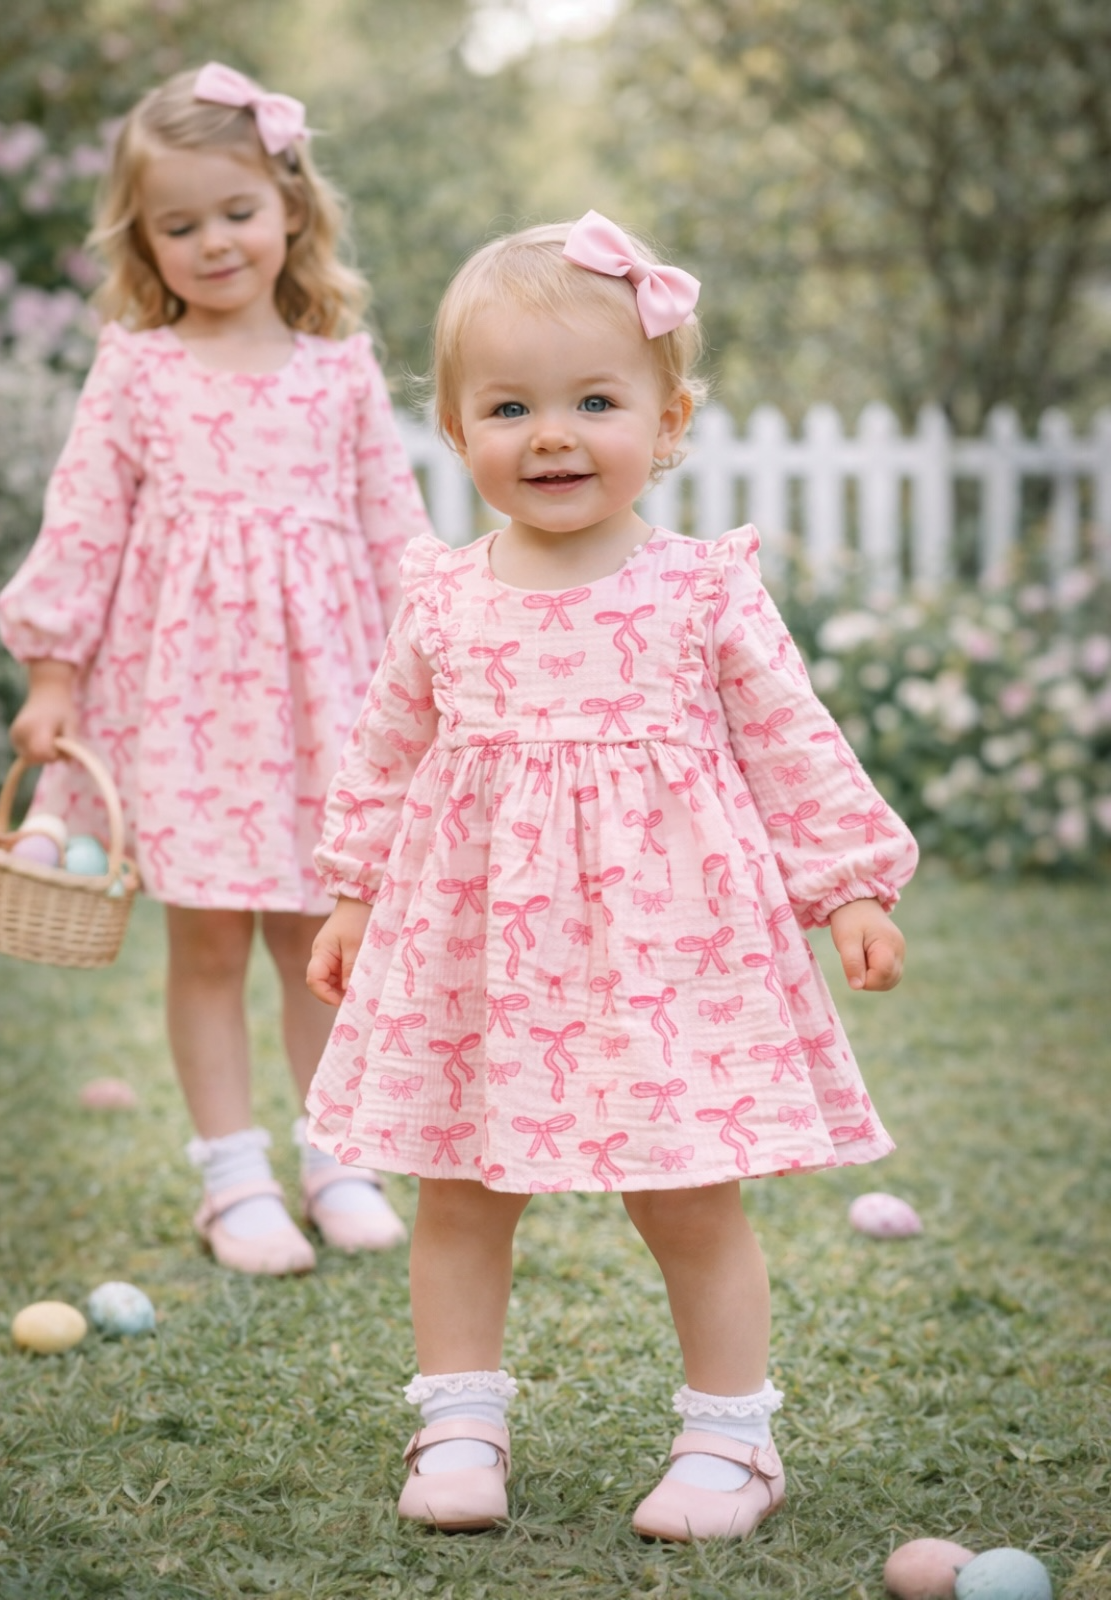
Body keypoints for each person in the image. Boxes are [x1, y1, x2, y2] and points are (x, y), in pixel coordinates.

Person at [304, 212, 918, 1539]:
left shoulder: (702, 592)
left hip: (666, 946)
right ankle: (459, 1421)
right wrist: (354, 887)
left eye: (595, 399)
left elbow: (791, 741)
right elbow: (386, 749)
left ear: (670, 415)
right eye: (510, 405)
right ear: (459, 431)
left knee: (687, 1193)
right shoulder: (444, 595)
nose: (553, 434)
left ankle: (731, 1440)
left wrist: (852, 883)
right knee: (459, 1187)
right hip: (477, 949)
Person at [0, 63, 432, 1275]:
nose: (213, 241)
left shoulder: (338, 365)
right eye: (177, 225)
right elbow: (83, 523)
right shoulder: (136, 368)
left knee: (316, 940)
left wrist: (438, 659)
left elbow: (394, 527)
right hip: (182, 703)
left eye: (235, 211)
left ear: (290, 204)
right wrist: (51, 674)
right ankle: (230, 1175)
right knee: (207, 945)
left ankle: (336, 1154)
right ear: (143, 239)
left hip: (320, 699)